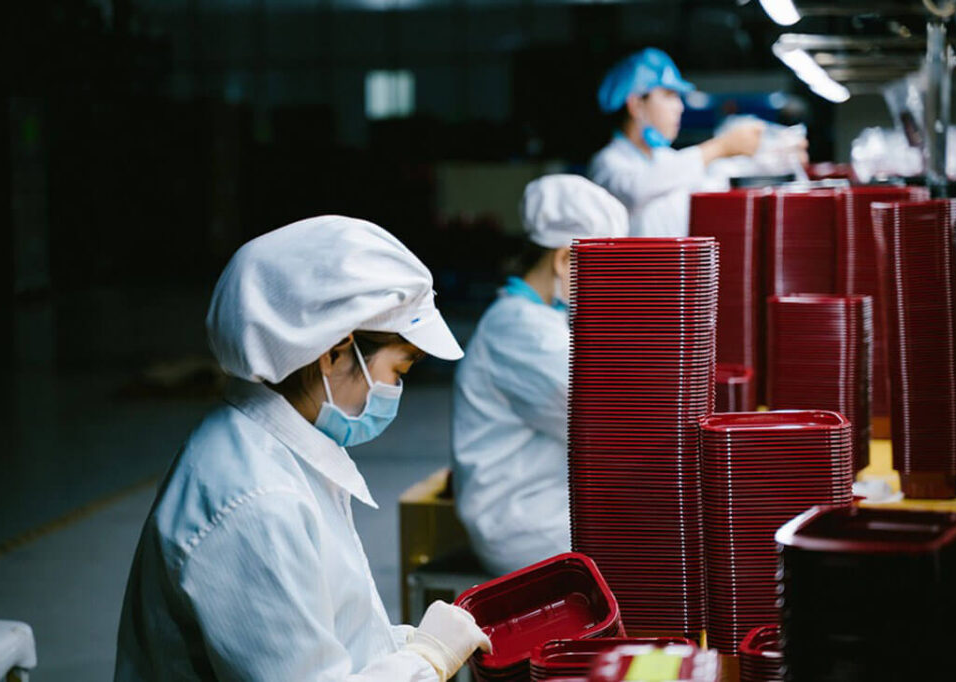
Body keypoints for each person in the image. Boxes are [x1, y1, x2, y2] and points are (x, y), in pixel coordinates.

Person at [115, 216, 491, 681]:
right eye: (400, 371)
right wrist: (426, 660)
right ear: (335, 353)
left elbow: (322, 637)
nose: (396, 390)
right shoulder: (257, 504)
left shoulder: (272, 449)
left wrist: (405, 644)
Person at [452, 175, 629, 577]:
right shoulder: (523, 331)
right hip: (526, 523)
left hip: (549, 503)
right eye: (607, 269)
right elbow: (606, 425)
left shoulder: (538, 322)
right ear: (565, 259)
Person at [589, 47, 765, 238]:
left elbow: (714, 182)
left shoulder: (667, 159)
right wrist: (719, 147)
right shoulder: (607, 164)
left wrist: (776, 154)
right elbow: (638, 188)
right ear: (636, 105)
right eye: (669, 95)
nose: (679, 107)